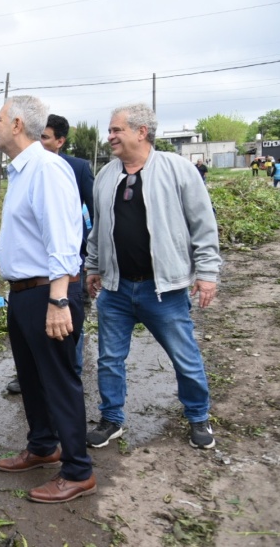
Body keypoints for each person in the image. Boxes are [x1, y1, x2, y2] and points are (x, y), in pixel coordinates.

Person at [0, 95, 95, 504]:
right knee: (31, 378)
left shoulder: (48, 170)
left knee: (59, 380)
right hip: (23, 293)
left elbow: (65, 242)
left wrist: (58, 302)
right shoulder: (21, 172)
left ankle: (78, 471)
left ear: (17, 124)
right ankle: (42, 446)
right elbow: (20, 239)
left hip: (47, 293)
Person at [85, 103, 221, 452]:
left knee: (184, 356)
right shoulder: (105, 175)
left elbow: (203, 225)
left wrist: (207, 273)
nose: (110, 136)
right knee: (109, 359)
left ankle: (198, 415)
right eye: (111, 130)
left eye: (116, 130)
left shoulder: (177, 170)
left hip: (164, 290)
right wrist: (94, 266)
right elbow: (98, 228)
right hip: (116, 288)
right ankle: (111, 419)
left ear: (141, 132)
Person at [6, 113, 94, 395]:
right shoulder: (23, 169)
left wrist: (90, 260)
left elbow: (92, 215)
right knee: (35, 348)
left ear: (60, 141)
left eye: (45, 137)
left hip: (65, 271)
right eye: (39, 136)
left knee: (63, 340)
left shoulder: (73, 168)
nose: (39, 142)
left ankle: (70, 377)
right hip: (33, 275)